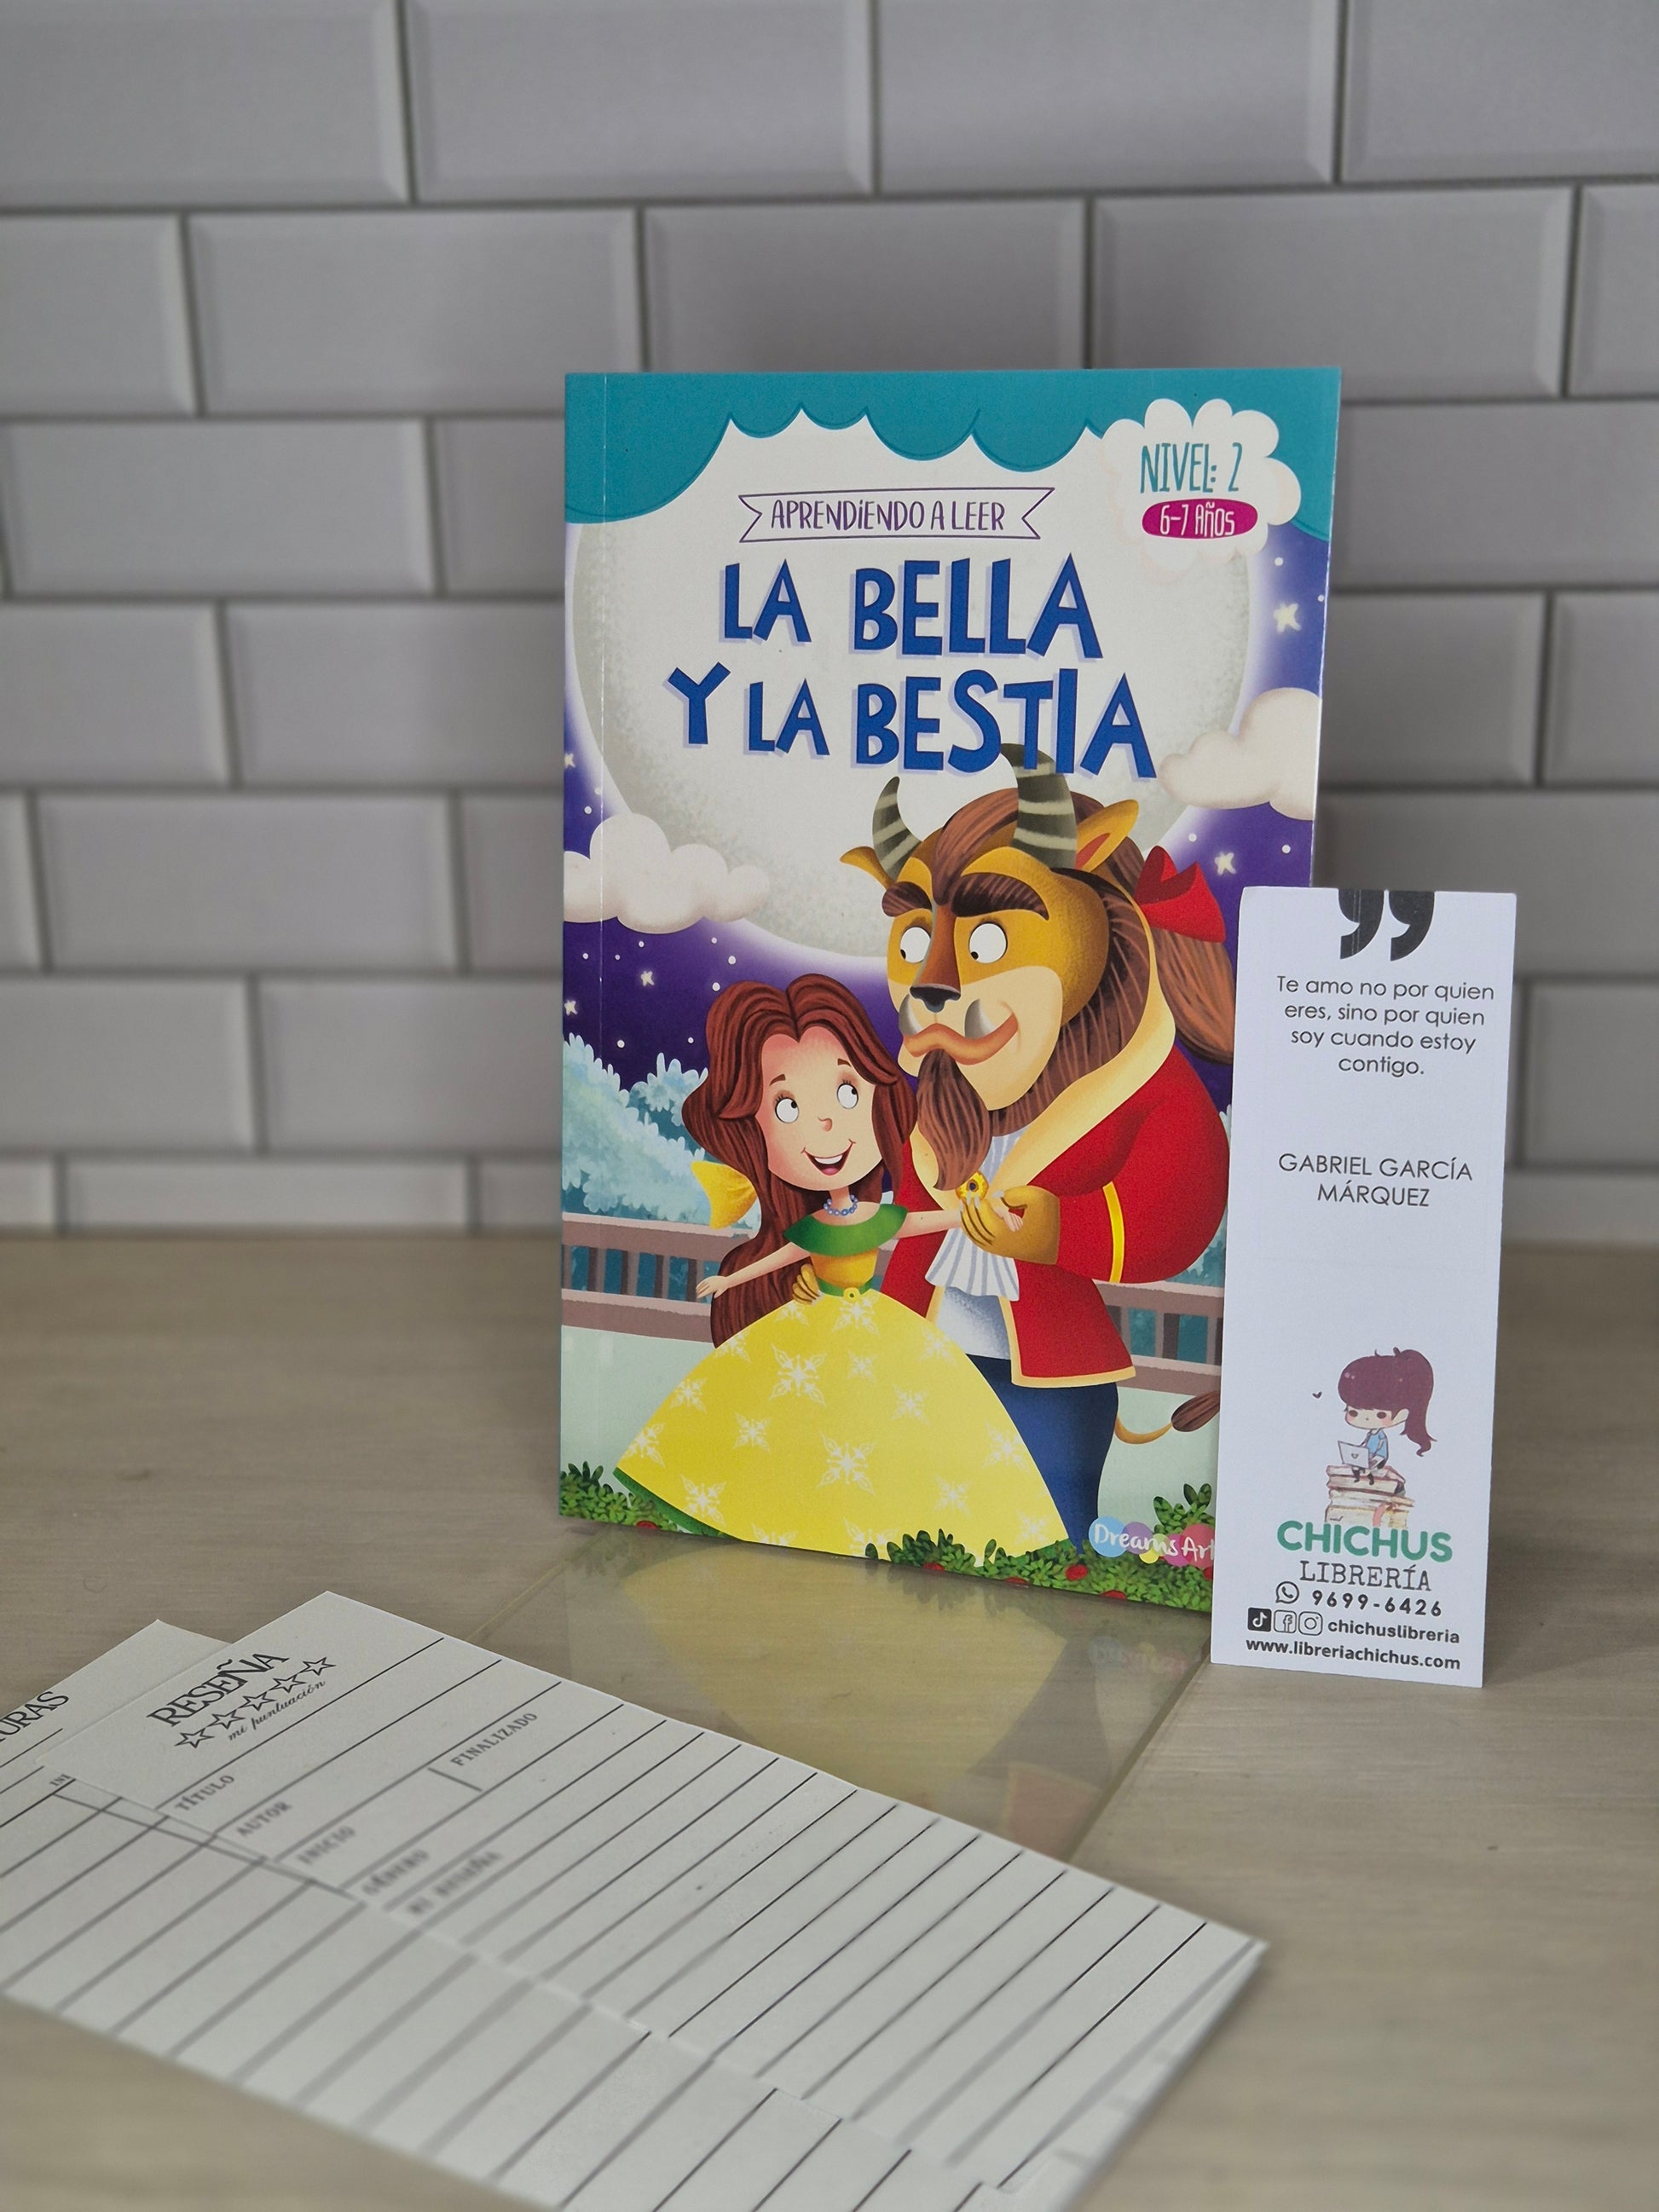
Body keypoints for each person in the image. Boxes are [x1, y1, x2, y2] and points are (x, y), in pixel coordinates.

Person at [613, 976, 1068, 1559]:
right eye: (787, 1107)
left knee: (893, 1422)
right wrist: (730, 1279)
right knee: (795, 1421)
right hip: (810, 1327)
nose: (824, 1124)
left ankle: (889, 1526)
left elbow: (922, 1222)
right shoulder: (814, 1225)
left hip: (876, 1329)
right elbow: (783, 1255)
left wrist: (973, 1211)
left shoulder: (875, 1214)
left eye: (848, 1093)